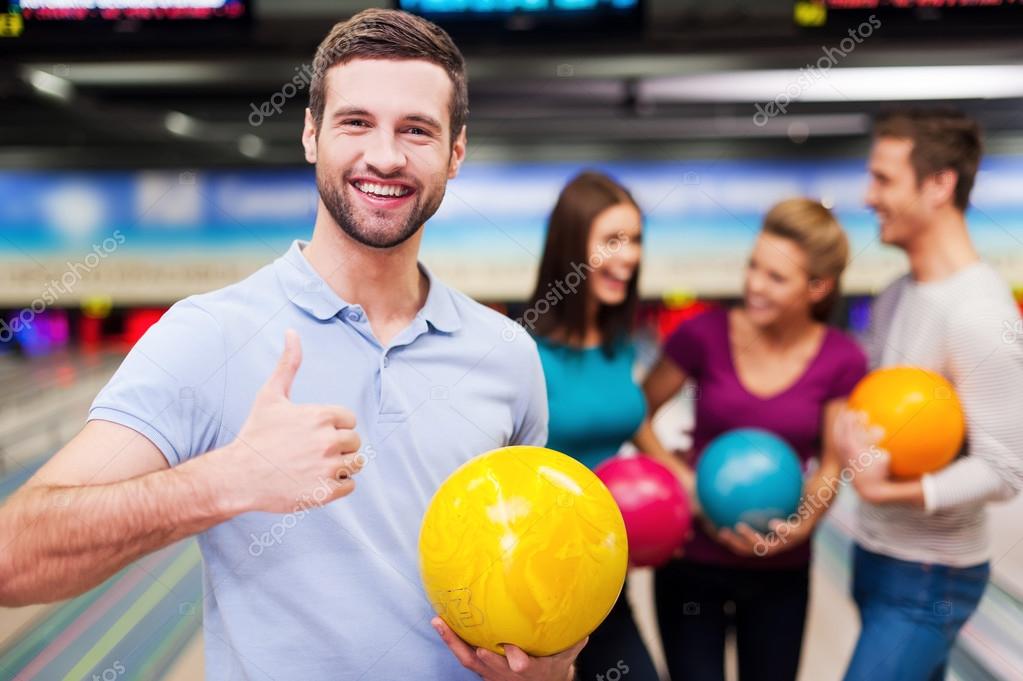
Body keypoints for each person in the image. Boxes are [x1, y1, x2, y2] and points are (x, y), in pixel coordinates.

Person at [0, 9, 584, 681]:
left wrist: (551, 672)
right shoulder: (208, 334)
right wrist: (227, 479)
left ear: (455, 152)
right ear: (311, 134)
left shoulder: (506, 354)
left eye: (416, 129)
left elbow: (533, 571)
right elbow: (14, 555)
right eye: (355, 121)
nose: (385, 155)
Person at [643, 198, 867, 681]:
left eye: (776, 278)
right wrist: (680, 478)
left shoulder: (841, 358)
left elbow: (832, 464)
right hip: (692, 563)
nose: (754, 286)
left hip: (781, 570)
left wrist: (804, 524)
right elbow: (636, 411)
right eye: (754, 268)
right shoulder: (702, 334)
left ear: (818, 287)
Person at [837, 108, 1023, 681]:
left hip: (931, 573)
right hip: (876, 559)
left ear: (939, 184)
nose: (869, 196)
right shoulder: (897, 294)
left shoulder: (980, 314)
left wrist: (888, 490)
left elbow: (1007, 469)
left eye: (884, 179)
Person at [525, 170, 686, 681]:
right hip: (541, 581)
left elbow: (632, 424)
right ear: (574, 247)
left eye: (635, 240)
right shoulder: (523, 350)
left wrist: (688, 494)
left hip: (606, 579)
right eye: (612, 240)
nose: (630, 255)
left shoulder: (616, 344)